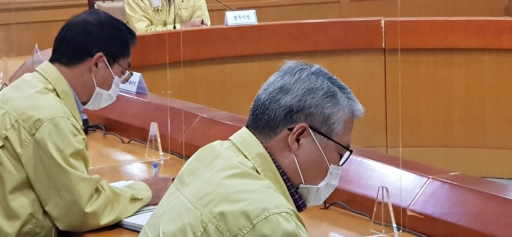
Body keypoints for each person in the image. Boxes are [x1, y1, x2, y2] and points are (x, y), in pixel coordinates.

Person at [0, 9, 174, 236]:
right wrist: (145, 191)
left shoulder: (23, 89)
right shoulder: (51, 117)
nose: (119, 82)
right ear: (98, 63)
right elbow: (80, 210)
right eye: (121, 72)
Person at [141, 60, 364, 236]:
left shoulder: (212, 154)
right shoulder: (269, 218)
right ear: (298, 138)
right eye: (340, 154)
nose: (337, 167)